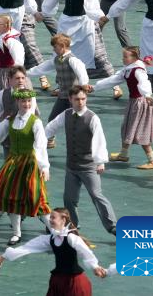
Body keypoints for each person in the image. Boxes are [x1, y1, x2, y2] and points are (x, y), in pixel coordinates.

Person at [0, 88, 50, 245]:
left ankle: (56, 233)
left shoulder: (36, 122)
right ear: (18, 102)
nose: (26, 104)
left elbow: (40, 145)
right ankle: (16, 233)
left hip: (30, 164)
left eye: (29, 101)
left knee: (36, 198)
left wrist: (44, 166)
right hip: (13, 163)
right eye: (23, 101)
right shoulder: (10, 120)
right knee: (11, 197)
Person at [45, 84, 117, 235]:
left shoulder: (92, 118)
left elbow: (99, 140)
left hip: (89, 167)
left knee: (96, 195)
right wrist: (40, 141)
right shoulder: (65, 114)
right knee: (69, 199)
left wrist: (100, 161)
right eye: (77, 99)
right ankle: (73, 226)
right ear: (70, 99)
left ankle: (112, 226)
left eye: (83, 99)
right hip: (72, 166)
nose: (81, 102)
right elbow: (50, 128)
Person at [0, 207, 107, 291]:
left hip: (74, 283)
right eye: (50, 217)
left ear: (63, 219)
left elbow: (85, 253)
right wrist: (3, 257)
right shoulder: (51, 238)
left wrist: (95, 267)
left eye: (53, 217)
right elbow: (27, 247)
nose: (50, 220)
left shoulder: (71, 238)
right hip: (58, 281)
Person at [93, 46, 153, 169]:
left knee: (141, 131)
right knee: (127, 127)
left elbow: (144, 82)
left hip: (141, 103)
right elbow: (113, 80)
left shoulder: (138, 70)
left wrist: (147, 95)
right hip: (134, 102)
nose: (123, 59)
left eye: (125, 56)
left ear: (134, 58)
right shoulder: (128, 70)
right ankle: (123, 154)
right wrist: (95, 87)